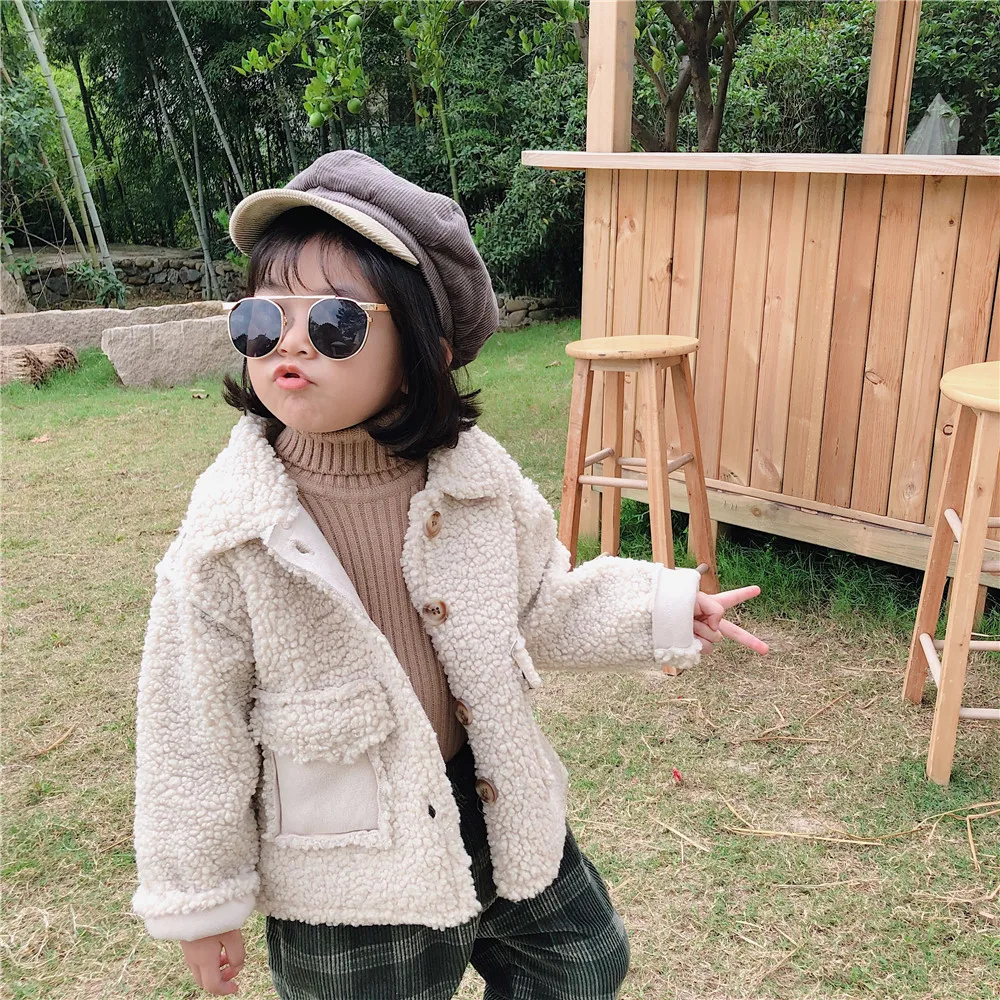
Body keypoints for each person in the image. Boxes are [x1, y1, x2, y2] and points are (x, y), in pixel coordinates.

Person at [131, 151, 767, 1000]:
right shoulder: (228, 533)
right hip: (347, 862)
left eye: (336, 322)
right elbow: (189, 731)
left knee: (583, 962)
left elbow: (540, 599)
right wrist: (200, 900)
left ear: (422, 348)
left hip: (493, 800)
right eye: (260, 318)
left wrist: (663, 607)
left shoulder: (474, 479)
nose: (290, 341)